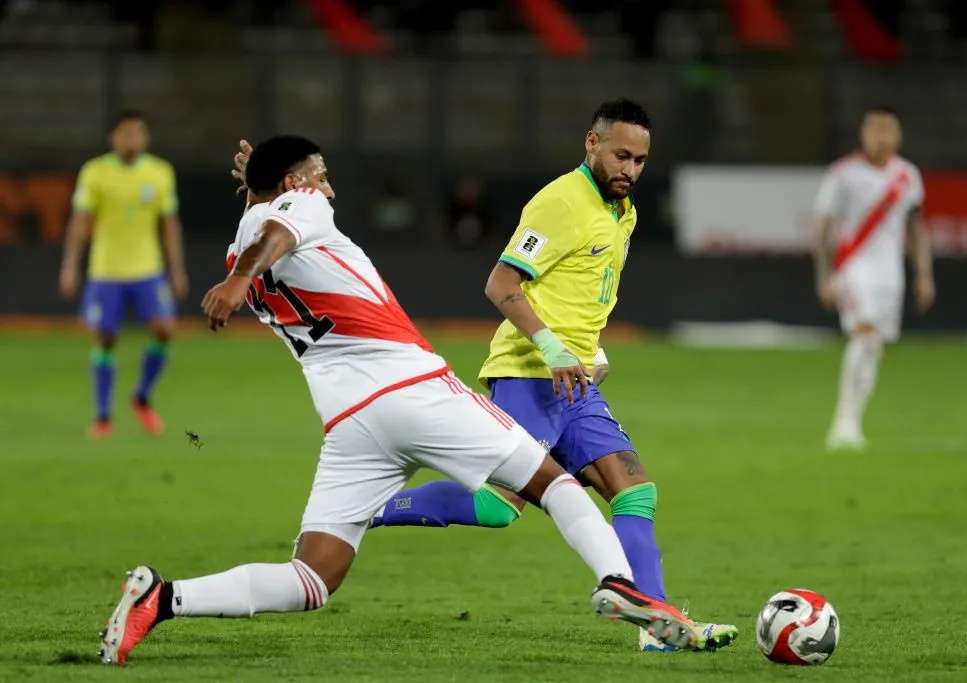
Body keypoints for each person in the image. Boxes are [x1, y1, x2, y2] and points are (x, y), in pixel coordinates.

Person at [98, 135, 699, 666]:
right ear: (296, 184)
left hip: (350, 424)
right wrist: (250, 253)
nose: (328, 188)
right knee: (553, 483)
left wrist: (255, 218)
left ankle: (164, 598)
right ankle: (618, 583)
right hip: (415, 390)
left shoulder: (240, 246)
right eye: (321, 175)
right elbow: (283, 226)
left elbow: (267, 230)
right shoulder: (293, 215)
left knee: (313, 578)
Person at [327, 99, 737, 653]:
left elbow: (583, 293)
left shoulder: (625, 212)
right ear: (592, 143)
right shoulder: (560, 202)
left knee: (636, 493)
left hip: (576, 383)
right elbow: (500, 284)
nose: (630, 170)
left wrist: (590, 352)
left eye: (640, 161)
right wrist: (551, 348)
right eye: (621, 155)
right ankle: (369, 508)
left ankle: (659, 630)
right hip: (527, 374)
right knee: (499, 508)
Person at [59, 110, 188, 438]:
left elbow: (169, 224)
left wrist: (177, 270)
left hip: (148, 269)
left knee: (164, 329)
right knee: (105, 337)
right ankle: (103, 416)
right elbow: (80, 223)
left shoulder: (159, 172)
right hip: (107, 270)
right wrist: (70, 265)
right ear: (113, 138)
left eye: (139, 132)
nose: (134, 138)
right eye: (127, 132)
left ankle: (141, 397)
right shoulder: (96, 172)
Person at [813, 106, 934, 450]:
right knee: (865, 334)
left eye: (888, 130)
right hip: (853, 268)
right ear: (863, 134)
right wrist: (824, 276)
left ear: (899, 136)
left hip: (890, 273)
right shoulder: (843, 174)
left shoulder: (908, 176)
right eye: (875, 129)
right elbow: (822, 227)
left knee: (875, 344)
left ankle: (853, 419)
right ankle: (844, 422)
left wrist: (924, 274)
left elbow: (916, 227)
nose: (881, 136)